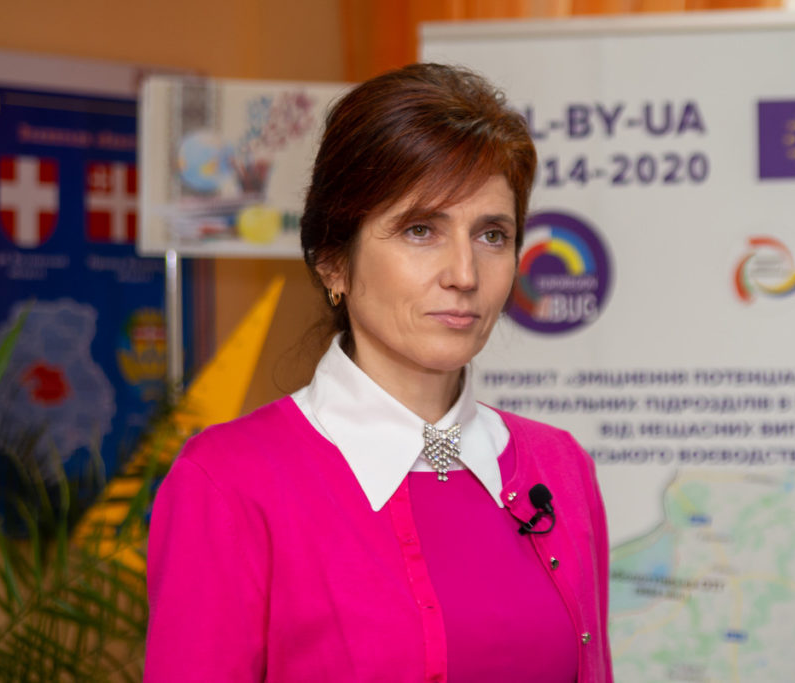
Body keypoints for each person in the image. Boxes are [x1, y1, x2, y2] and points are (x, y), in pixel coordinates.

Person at [145, 63, 613, 682]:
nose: (464, 274)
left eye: (492, 235)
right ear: (333, 262)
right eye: (421, 230)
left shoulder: (560, 468)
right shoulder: (230, 484)